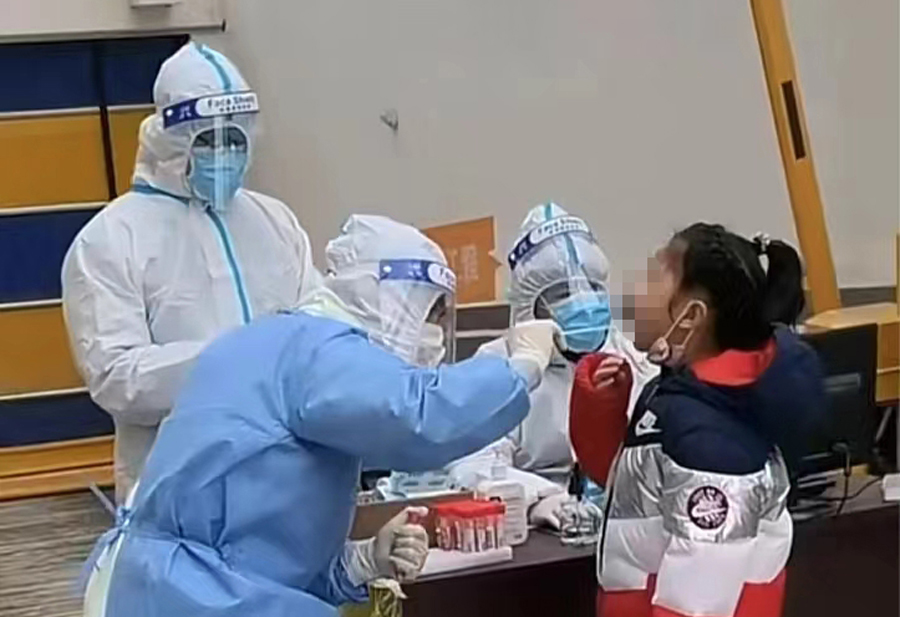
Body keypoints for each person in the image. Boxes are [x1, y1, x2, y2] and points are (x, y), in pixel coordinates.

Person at [81, 215, 560, 617]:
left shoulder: (275, 344)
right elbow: (421, 414)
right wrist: (520, 367)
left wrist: (360, 561)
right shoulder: (317, 352)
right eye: (429, 315)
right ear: (389, 295)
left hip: (172, 588)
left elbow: (261, 545)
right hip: (195, 597)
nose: (433, 336)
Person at [62, 41, 321, 503]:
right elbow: (116, 376)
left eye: (235, 139)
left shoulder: (273, 221)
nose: (225, 153)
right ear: (173, 141)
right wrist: (233, 358)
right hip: (178, 492)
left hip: (293, 481)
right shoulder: (112, 238)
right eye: (209, 141)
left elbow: (318, 320)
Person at [575, 223, 824, 617]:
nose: (636, 286)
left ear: (690, 316)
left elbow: (698, 603)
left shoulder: (713, 439)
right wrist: (602, 406)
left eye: (654, 275)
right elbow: (628, 488)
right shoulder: (680, 395)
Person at [447, 203, 658, 529]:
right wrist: (541, 498)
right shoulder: (498, 365)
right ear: (530, 306)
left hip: (625, 522)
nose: (584, 301)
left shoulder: (631, 359)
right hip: (533, 534)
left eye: (593, 287)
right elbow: (472, 463)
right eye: (562, 292)